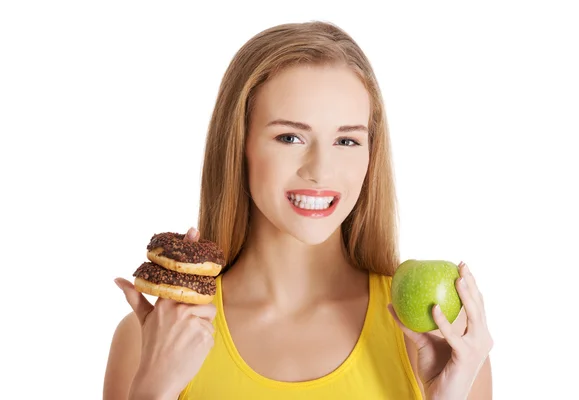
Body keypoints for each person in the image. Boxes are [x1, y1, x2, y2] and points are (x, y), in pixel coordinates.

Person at [104, 21, 493, 399]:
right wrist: (152, 392)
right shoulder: (155, 338)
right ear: (239, 145)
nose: (320, 169)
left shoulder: (438, 340)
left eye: (347, 140)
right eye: (290, 137)